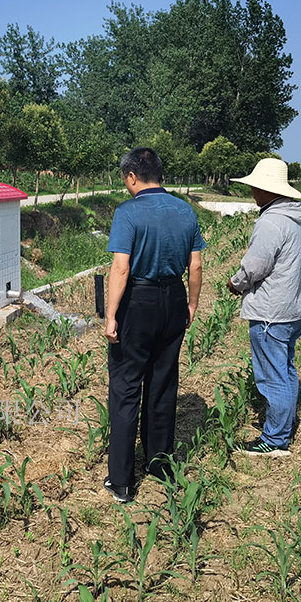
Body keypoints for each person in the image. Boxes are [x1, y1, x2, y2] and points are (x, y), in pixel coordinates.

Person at [104, 148, 205, 503]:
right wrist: (191, 304)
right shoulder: (184, 210)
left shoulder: (128, 212)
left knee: (126, 385)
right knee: (162, 383)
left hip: (139, 301)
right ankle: (160, 465)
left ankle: (122, 480)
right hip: (174, 299)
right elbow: (195, 266)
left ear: (132, 176)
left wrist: (112, 314)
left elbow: (120, 267)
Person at [227, 158, 301, 456]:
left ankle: (274, 440)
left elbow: (256, 266)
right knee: (286, 372)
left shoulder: (271, 221)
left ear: (267, 189)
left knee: (273, 377)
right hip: (292, 307)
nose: (251, 190)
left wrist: (236, 283)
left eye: (255, 186)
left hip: (270, 314)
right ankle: (282, 431)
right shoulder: (299, 216)